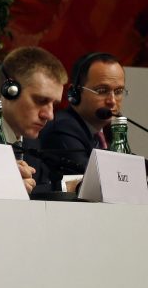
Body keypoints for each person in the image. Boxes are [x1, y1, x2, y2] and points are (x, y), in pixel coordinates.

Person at [39, 52, 130, 188]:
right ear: (74, 93)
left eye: (118, 91)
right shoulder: (63, 129)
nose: (112, 101)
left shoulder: (108, 133)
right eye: (102, 90)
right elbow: (100, 183)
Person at [0, 47, 68, 194]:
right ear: (9, 90)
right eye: (41, 100)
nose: (50, 115)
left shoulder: (32, 143)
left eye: (54, 104)